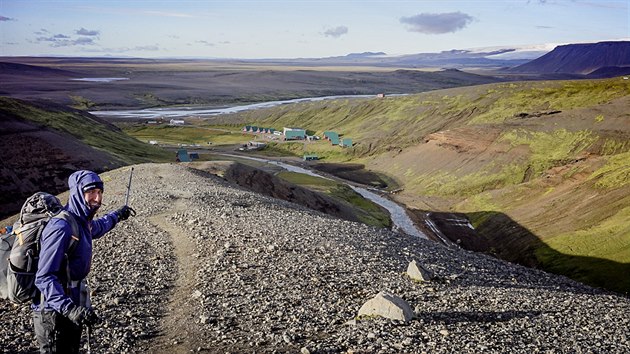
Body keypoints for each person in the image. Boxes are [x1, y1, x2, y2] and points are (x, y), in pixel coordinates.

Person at [32, 170, 133, 353]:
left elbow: (99, 226)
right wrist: (69, 309)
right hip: (53, 311)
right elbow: (44, 277)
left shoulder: (82, 222)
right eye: (91, 192)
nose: (97, 198)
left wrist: (117, 215)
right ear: (78, 192)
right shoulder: (61, 227)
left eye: (100, 192)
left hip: (72, 304)